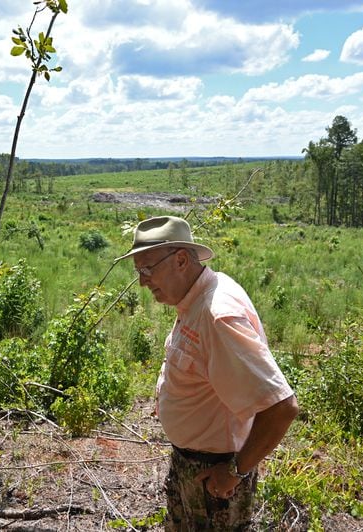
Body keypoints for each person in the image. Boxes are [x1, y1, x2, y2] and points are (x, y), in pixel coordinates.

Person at [117, 215, 298, 531]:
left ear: (182, 260)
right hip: (190, 464)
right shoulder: (195, 299)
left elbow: (281, 408)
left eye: (147, 269)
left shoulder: (217, 317)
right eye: (138, 272)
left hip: (215, 476)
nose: (142, 281)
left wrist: (234, 472)